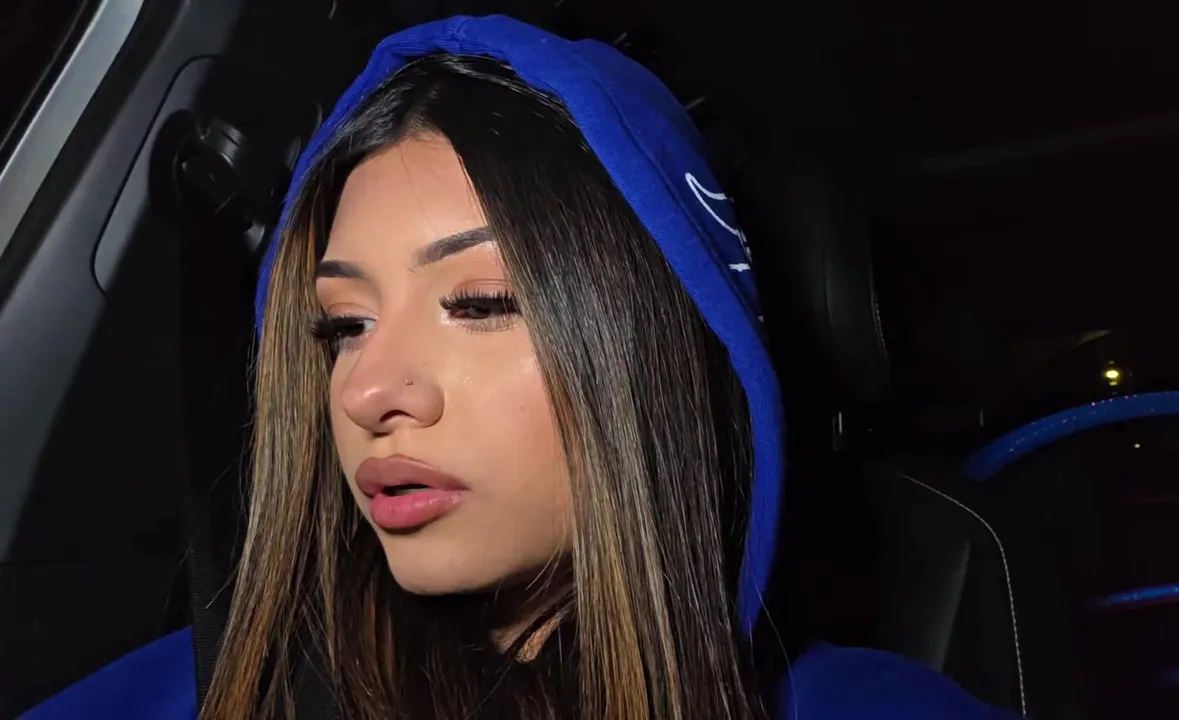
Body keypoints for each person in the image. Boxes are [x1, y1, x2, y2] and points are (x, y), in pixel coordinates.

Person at [25, 16, 1016, 719]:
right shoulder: (195, 691)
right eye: (343, 325)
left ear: (650, 348)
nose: (367, 392)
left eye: (480, 304)